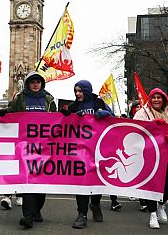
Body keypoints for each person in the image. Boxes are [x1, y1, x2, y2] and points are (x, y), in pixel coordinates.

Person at [0, 71, 57, 229]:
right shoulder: (21, 98)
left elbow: (56, 120)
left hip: (44, 147)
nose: (36, 84)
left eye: (38, 82)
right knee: (28, 181)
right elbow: (13, 113)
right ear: (28, 83)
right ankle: (28, 216)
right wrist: (5, 113)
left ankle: (36, 210)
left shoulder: (49, 99)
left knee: (41, 183)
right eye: (33, 82)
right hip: (25, 146)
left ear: (41, 84)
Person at [60, 80, 113, 229]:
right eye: (76, 91)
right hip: (80, 151)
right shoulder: (74, 105)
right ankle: (81, 214)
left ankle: (95, 205)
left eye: (80, 91)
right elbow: (63, 120)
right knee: (82, 183)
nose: (77, 94)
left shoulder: (98, 102)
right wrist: (69, 115)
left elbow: (113, 118)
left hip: (97, 150)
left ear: (87, 91)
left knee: (96, 182)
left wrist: (106, 114)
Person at [133, 88, 168, 229]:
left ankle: (162, 204)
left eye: (159, 97)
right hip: (151, 156)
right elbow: (135, 131)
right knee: (152, 186)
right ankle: (153, 214)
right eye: (153, 97)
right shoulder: (142, 113)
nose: (156, 99)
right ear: (150, 99)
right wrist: (151, 130)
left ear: (164, 99)